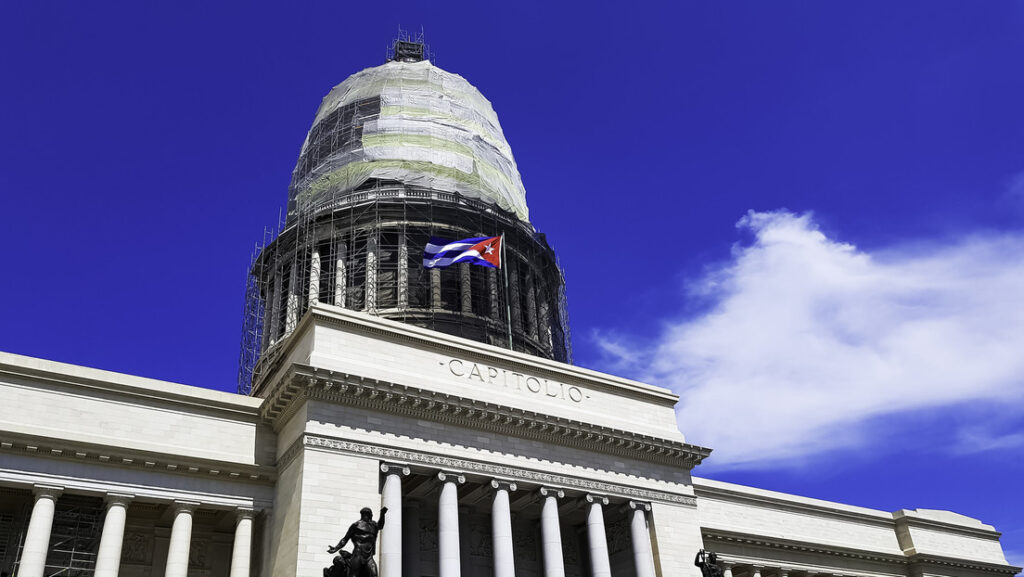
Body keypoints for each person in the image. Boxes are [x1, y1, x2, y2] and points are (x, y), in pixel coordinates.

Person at [328, 506, 388, 577]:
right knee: (353, 575)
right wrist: (336, 548)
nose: (372, 516)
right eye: (371, 514)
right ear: (368, 515)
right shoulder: (356, 525)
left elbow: (380, 525)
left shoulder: (373, 525)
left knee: (374, 575)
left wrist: (382, 514)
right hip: (358, 555)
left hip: (369, 557)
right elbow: (345, 539)